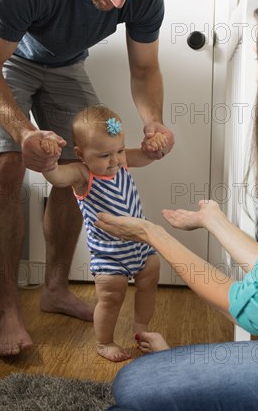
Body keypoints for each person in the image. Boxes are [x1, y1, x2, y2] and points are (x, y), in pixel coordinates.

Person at [96, 0, 258, 410]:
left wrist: (153, 234)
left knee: (130, 389)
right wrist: (212, 219)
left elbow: (256, 309)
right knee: (144, 383)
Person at [0, 0, 174, 356]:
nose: (120, 0)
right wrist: (25, 134)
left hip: (64, 64)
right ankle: (8, 312)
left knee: (91, 161)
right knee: (6, 169)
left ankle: (56, 289)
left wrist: (153, 123)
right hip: (4, 56)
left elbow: (144, 70)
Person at [41, 104, 162, 362]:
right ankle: (104, 342)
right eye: (105, 155)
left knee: (150, 277)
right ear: (80, 154)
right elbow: (57, 177)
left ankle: (141, 329)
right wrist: (49, 161)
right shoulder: (82, 173)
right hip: (109, 254)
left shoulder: (121, 162)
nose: (116, 159)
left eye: (119, 150)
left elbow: (146, 156)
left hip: (139, 244)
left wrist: (154, 147)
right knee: (111, 296)